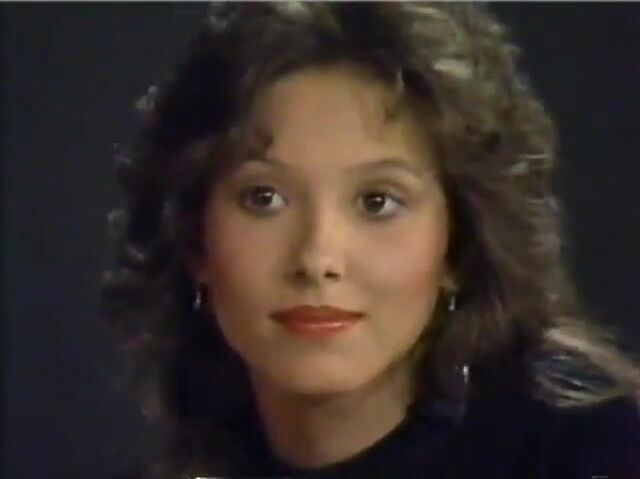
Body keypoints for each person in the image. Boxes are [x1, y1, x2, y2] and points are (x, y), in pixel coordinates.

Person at [101, 3, 640, 478]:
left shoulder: (591, 450)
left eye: (377, 202)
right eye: (264, 198)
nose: (317, 259)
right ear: (194, 239)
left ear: (458, 243)